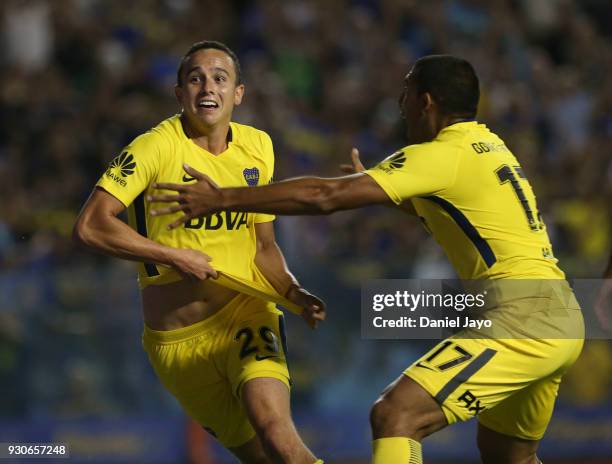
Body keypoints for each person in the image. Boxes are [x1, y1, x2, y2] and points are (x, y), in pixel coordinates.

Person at [149, 55, 584, 464]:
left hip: (522, 317)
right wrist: (376, 186)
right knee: (509, 457)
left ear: (425, 101)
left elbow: (324, 197)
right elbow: (447, 208)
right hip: (560, 312)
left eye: (406, 94)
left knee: (396, 415)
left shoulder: (441, 155)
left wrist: (223, 198)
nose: (401, 106)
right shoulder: (489, 146)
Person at [73, 40, 326, 464]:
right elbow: (90, 225)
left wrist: (293, 292)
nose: (207, 87)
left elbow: (264, 245)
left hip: (245, 315)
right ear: (179, 94)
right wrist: (174, 255)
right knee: (261, 458)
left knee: (279, 436)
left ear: (238, 93)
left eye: (219, 78)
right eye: (196, 78)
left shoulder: (258, 147)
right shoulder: (155, 147)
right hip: (176, 344)